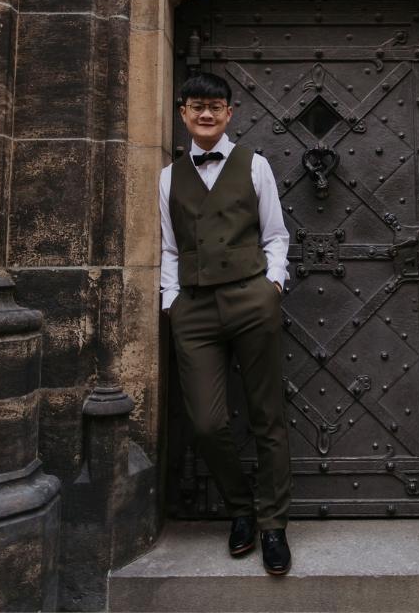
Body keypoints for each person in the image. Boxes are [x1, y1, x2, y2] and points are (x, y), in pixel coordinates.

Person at [159, 72, 293, 575]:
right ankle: (242, 508)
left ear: (230, 113)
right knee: (207, 422)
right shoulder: (169, 176)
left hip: (251, 300)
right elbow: (170, 246)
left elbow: (275, 235)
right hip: (192, 309)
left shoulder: (254, 165)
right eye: (197, 107)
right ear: (184, 114)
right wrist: (171, 300)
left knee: (266, 416)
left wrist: (272, 286)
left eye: (216, 106)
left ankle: (274, 524)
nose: (207, 114)